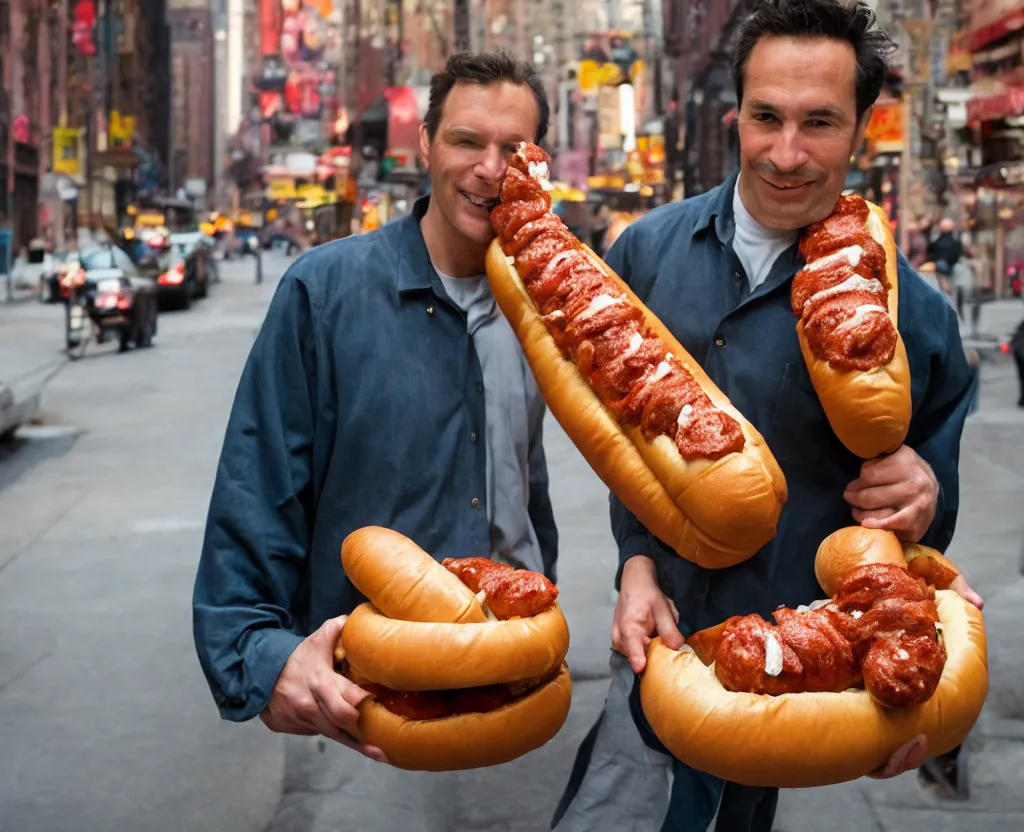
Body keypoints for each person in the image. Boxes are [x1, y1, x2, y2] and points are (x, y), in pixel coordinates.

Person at [552, 3, 983, 830]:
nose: (787, 154)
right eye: (766, 118)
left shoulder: (912, 314)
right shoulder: (646, 253)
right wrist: (635, 563)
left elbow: (930, 519)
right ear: (735, 117)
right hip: (665, 648)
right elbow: (629, 450)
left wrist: (924, 491)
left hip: (815, 684)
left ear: (861, 127)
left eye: (819, 122)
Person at [192, 52, 557, 765]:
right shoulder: (323, 294)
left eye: (513, 150)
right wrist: (261, 660)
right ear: (424, 145)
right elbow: (257, 490)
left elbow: (525, 476)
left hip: (522, 695)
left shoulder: (542, 307)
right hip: (371, 719)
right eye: (466, 141)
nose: (490, 168)